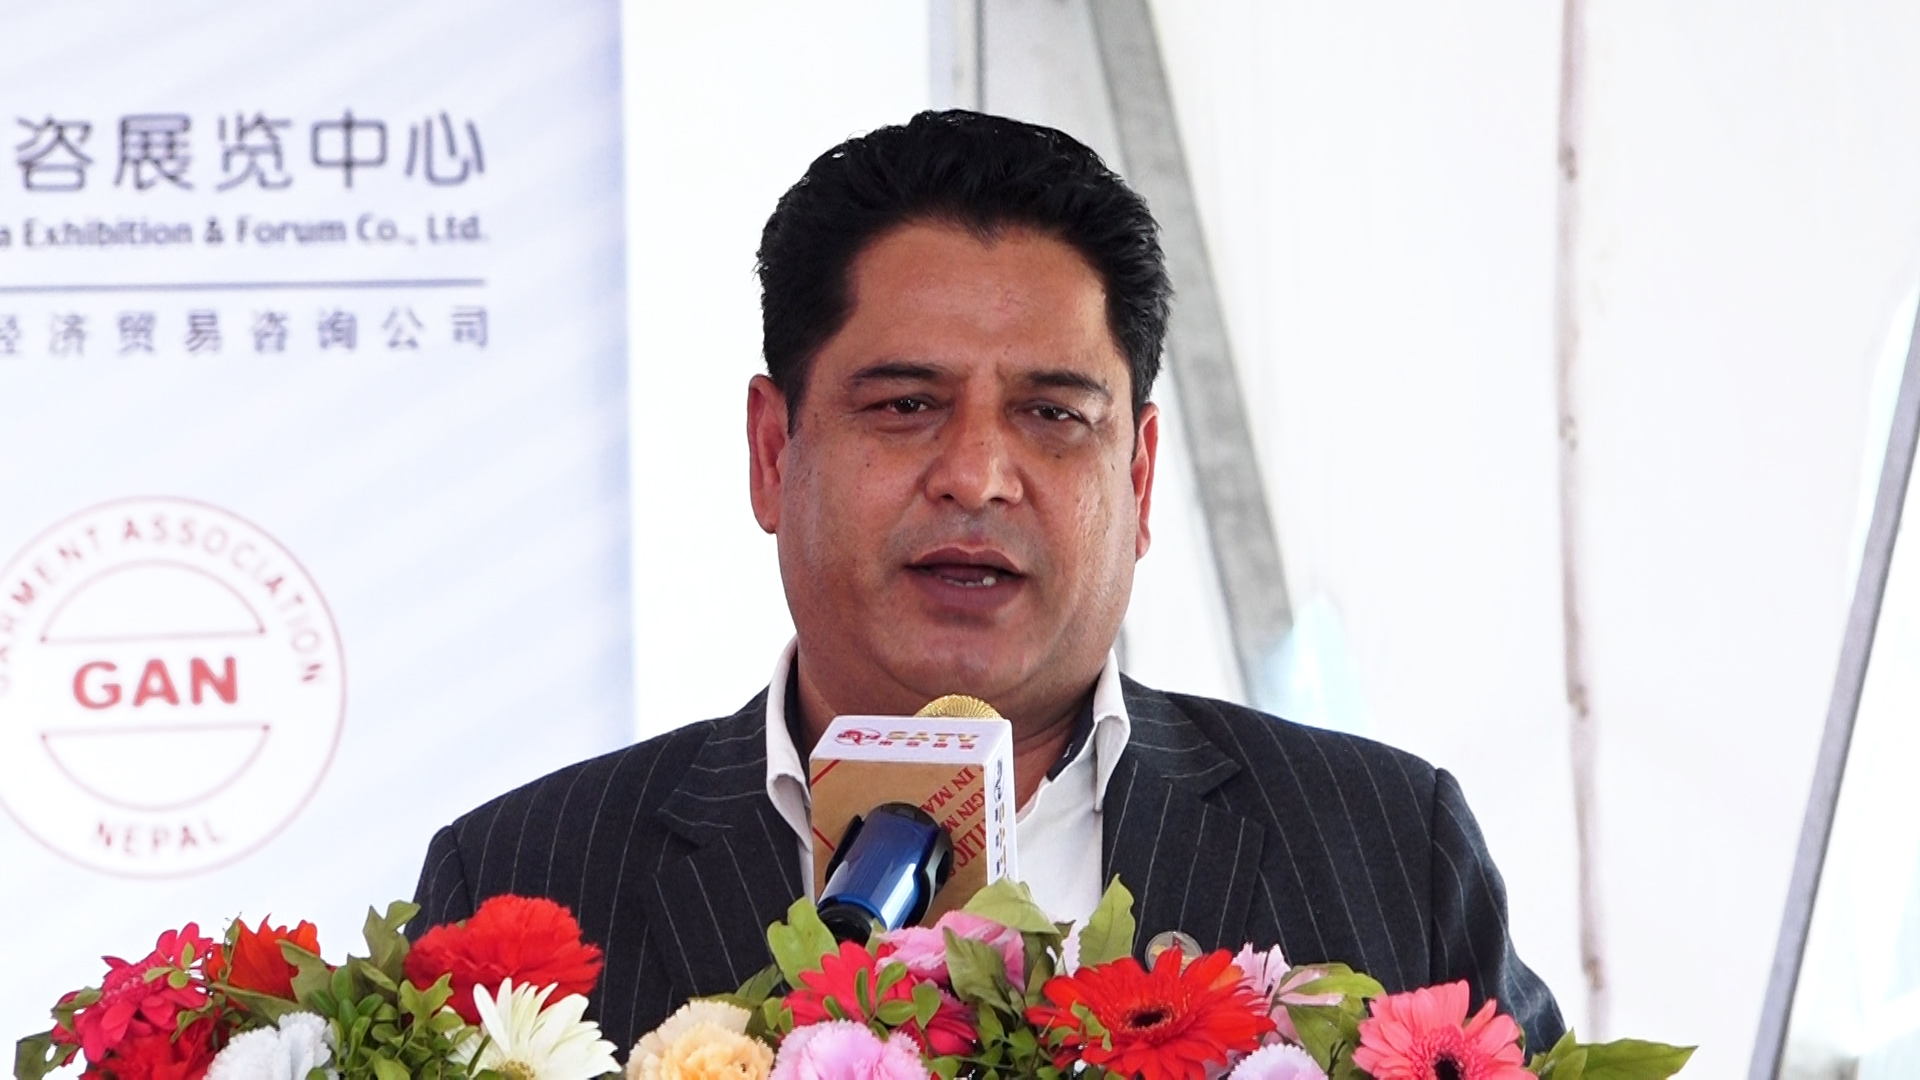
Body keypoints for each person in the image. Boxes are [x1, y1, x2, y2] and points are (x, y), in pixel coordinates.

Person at [408, 109, 1565, 1055]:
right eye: (906, 404)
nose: (977, 475)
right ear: (772, 453)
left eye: (1052, 415)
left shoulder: (1383, 847)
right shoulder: (523, 880)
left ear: (1140, 478)